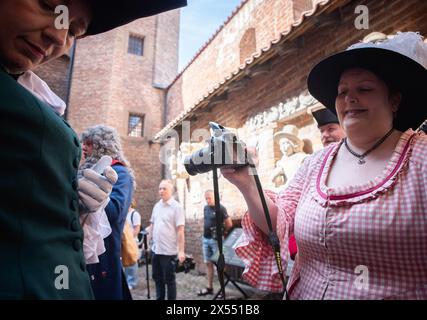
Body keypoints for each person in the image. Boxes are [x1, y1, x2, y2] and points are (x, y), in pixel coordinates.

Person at [0, 0, 186, 300]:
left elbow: (110, 213)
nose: (60, 38)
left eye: (74, 31)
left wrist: (80, 201)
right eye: (49, 4)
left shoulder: (120, 171)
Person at [222, 31, 427, 299]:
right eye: (342, 92)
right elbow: (279, 224)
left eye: (364, 89)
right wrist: (248, 183)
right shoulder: (315, 163)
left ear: (394, 100)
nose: (349, 98)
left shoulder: (420, 158)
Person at [80, 125, 136, 300]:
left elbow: (115, 213)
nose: (84, 147)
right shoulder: (81, 171)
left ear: (102, 145)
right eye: (83, 143)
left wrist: (99, 198)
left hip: (104, 255)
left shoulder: (120, 172)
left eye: (89, 143)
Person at [149, 180, 185, 300]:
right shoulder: (157, 206)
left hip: (169, 251)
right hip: (156, 250)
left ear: (171, 191)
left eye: (164, 188)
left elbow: (180, 230)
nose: (161, 191)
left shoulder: (177, 207)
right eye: (160, 188)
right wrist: (147, 243)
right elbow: (152, 226)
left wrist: (181, 251)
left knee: (169, 280)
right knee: (157, 278)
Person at [197, 190, 233, 296]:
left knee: (220, 265)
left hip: (216, 241)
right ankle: (210, 288)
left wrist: (223, 232)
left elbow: (229, 224)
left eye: (209, 198)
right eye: (206, 198)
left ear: (215, 197)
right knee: (208, 263)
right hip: (206, 239)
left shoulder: (221, 208)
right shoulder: (205, 208)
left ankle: (223, 290)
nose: (207, 200)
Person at [124, 200, 142, 290]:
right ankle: (126, 281)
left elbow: (137, 228)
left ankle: (132, 282)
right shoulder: (122, 213)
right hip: (123, 241)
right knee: (125, 261)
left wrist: (130, 240)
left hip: (132, 241)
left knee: (132, 262)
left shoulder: (134, 214)